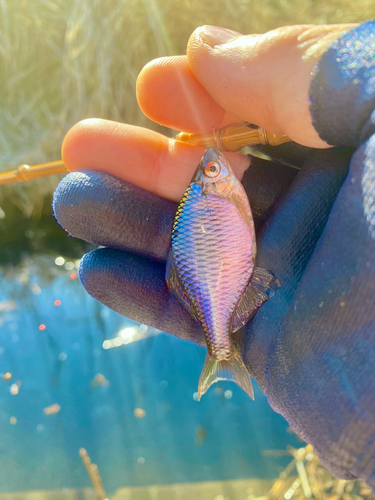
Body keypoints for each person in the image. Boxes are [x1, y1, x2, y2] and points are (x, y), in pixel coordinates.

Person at [53, 22, 375, 485]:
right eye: (210, 169)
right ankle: (220, 351)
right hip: (228, 277)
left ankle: (221, 350)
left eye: (210, 168)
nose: (215, 167)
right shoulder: (212, 195)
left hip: (224, 276)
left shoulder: (215, 194)